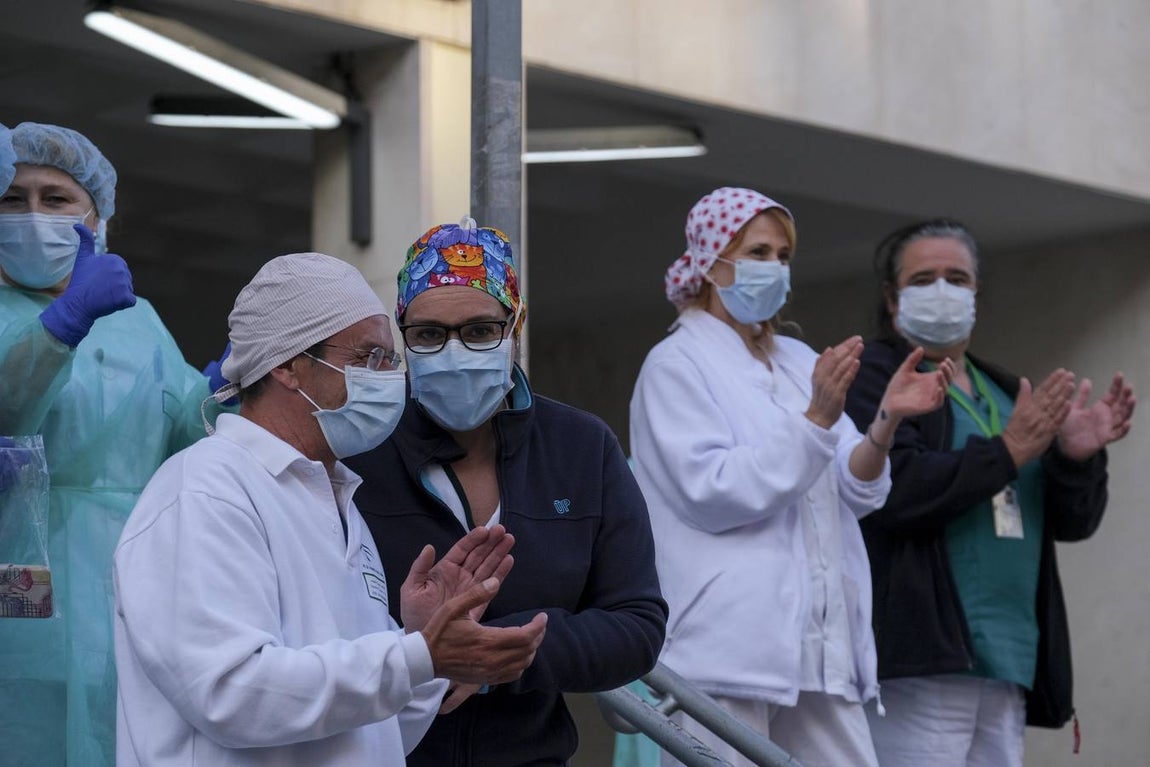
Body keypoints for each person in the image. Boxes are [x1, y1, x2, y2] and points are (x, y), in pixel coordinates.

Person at [113, 252, 548, 766]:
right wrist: (415, 656)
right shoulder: (205, 491)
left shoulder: (335, 499)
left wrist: (424, 648)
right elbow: (231, 694)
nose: (389, 379)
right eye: (368, 358)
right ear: (288, 364)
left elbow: (376, 732)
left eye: (390, 360)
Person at [628, 188, 955, 767]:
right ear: (710, 260)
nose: (774, 268)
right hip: (726, 649)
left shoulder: (799, 360)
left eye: (782, 256)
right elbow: (714, 491)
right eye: (758, 252)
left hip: (821, 647)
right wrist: (817, 420)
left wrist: (886, 421)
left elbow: (855, 489)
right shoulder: (673, 364)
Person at [345, 217, 668, 767]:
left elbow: (636, 624)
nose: (454, 352)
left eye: (478, 331)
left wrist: (501, 653)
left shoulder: (581, 448)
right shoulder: (359, 450)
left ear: (515, 325)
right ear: (403, 336)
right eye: (428, 334)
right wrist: (426, 653)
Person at [844, 219, 1135, 767]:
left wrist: (1076, 459)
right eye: (923, 277)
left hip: (1007, 661)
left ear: (977, 291)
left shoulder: (1001, 389)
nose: (942, 291)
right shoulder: (874, 375)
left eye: (957, 278)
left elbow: (1073, 523)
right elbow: (893, 492)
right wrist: (1007, 450)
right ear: (891, 296)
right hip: (920, 660)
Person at [0, 121, 229, 766]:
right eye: (12, 200)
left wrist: (226, 389)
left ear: (97, 219)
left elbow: (183, 433)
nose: (32, 214)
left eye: (56, 198)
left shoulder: (137, 318)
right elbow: (7, 407)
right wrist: (62, 323)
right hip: (22, 601)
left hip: (139, 590)